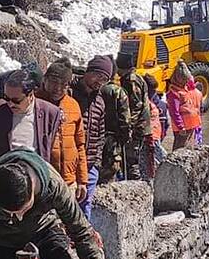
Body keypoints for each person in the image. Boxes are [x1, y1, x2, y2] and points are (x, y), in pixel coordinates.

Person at [0, 69, 62, 175]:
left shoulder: (51, 113)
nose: (11, 104)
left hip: (35, 174)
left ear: (30, 95)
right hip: (1, 174)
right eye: (6, 98)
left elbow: (49, 148)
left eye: (16, 100)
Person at [37, 60, 88, 203]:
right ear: (45, 79)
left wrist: (82, 180)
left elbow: (79, 145)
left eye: (64, 84)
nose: (58, 88)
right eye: (54, 82)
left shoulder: (73, 105)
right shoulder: (34, 103)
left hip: (68, 182)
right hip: (42, 181)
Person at [71, 57, 111, 219]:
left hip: (90, 164)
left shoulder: (99, 101)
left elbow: (100, 133)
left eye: (105, 79)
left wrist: (97, 160)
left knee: (85, 206)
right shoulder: (70, 93)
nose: (100, 82)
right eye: (98, 76)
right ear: (88, 71)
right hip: (69, 163)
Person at [115, 52, 151, 179]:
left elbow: (136, 106)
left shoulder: (131, 80)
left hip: (137, 127)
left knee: (131, 159)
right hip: (139, 124)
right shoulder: (134, 78)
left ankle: (135, 184)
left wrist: (129, 126)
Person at [167, 62, 202, 149]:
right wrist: (180, 127)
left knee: (187, 146)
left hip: (191, 124)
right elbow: (174, 112)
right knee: (179, 147)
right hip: (182, 128)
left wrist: (182, 65)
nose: (186, 82)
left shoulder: (185, 88)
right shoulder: (174, 93)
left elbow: (191, 81)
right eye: (185, 80)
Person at [140, 75, 168, 180]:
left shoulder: (154, 102)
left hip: (155, 136)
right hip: (150, 137)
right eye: (152, 90)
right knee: (162, 159)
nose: (154, 93)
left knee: (153, 161)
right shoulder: (143, 103)